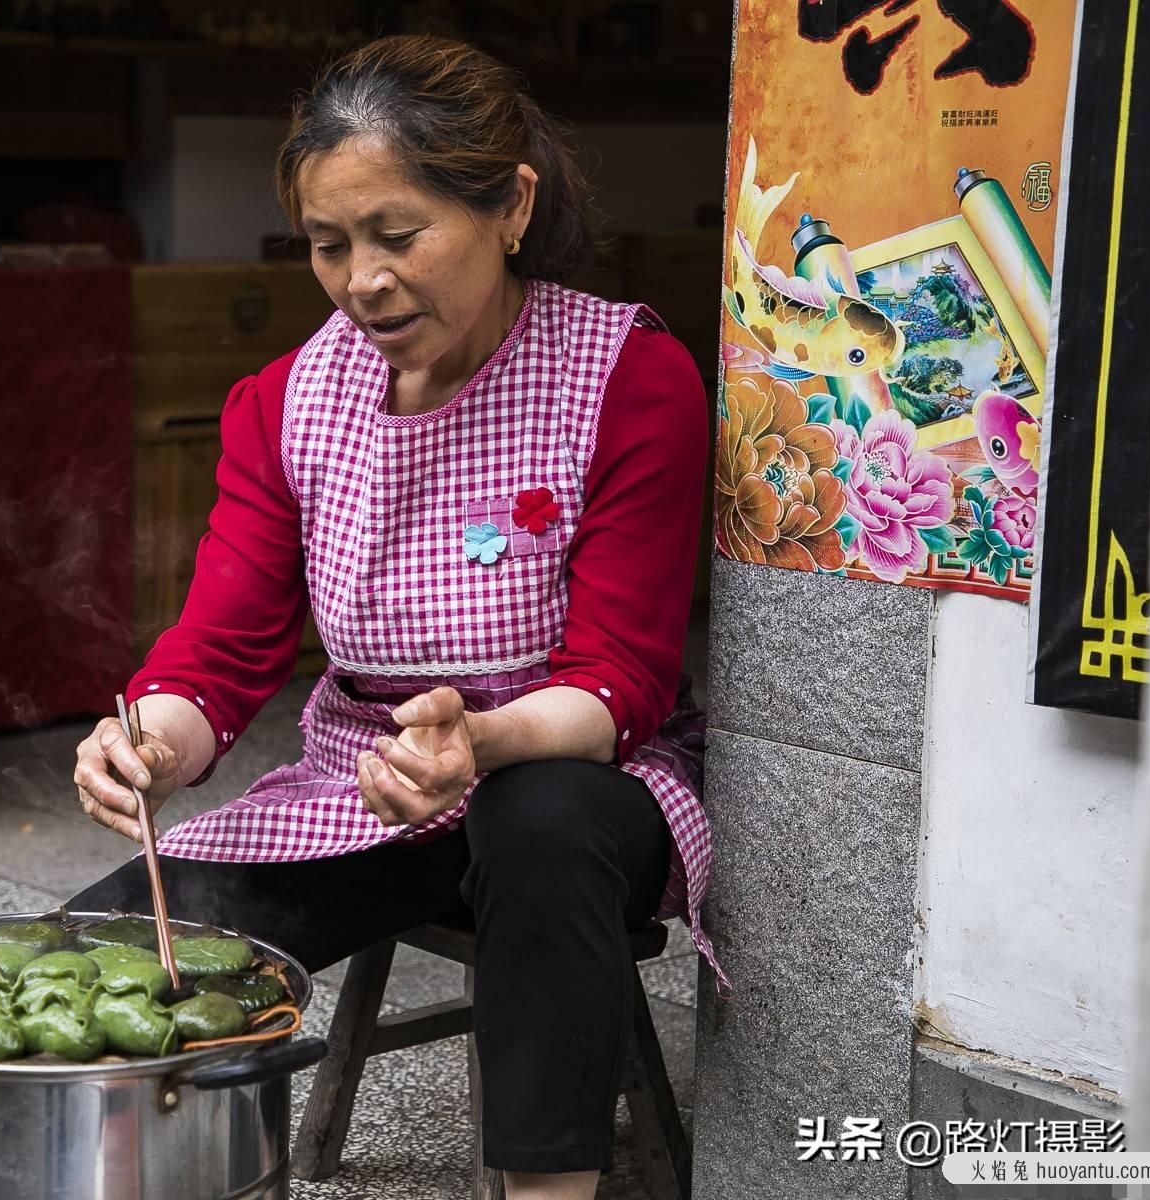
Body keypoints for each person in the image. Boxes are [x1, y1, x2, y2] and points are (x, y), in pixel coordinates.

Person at [68, 34, 725, 1200]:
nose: (359, 278)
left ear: (510, 205)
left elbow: (625, 673)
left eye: (397, 234)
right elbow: (220, 651)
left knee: (541, 824)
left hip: (572, 773)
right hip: (364, 788)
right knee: (101, 956)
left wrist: (481, 740)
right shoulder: (286, 402)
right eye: (328, 245)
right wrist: (154, 741)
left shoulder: (629, 378)